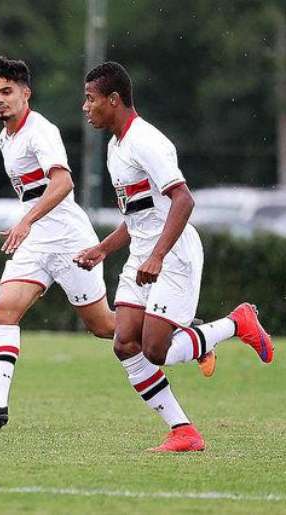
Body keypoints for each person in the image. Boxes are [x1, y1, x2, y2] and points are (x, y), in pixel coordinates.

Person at [76, 61, 273, 452]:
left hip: (174, 254)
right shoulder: (116, 147)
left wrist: (159, 256)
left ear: (114, 100)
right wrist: (102, 248)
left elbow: (183, 199)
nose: (85, 107)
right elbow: (137, 218)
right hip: (143, 254)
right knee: (123, 342)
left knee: (156, 350)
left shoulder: (146, 141)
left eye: (90, 99)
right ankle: (183, 431)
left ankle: (237, 323)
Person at [0, 56, 116, 430]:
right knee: (3, 311)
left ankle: (189, 334)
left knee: (105, 327)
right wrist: (29, 224)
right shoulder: (3, 137)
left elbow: (63, 183)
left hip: (70, 241)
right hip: (37, 241)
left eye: (6, 91)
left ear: (26, 93)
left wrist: (25, 220)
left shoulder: (40, 130)